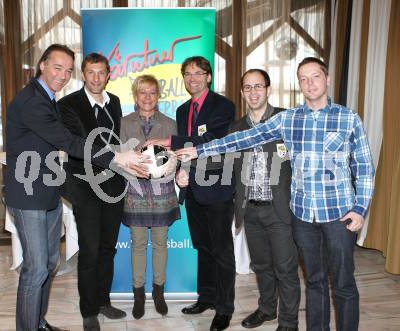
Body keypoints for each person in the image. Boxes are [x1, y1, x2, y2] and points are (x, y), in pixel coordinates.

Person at [176, 57, 374, 331]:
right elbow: (242, 139)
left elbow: (364, 168)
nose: (309, 83)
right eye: (303, 79)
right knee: (314, 281)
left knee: (342, 283)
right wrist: (198, 151)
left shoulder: (347, 117)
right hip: (303, 215)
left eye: (315, 77)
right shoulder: (288, 119)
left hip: (338, 215)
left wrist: (360, 208)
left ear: (327, 79)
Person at [5, 44, 148, 331]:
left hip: (50, 190)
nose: (62, 74)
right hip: (32, 193)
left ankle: (39, 322)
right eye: (58, 67)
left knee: (47, 265)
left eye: (67, 70)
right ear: (42, 65)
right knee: (36, 270)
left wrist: (128, 160)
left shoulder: (48, 98)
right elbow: (69, 142)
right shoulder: (35, 101)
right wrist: (119, 157)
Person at [147, 56, 236, 331]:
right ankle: (206, 298)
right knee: (203, 247)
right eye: (187, 74)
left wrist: (166, 142)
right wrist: (180, 172)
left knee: (221, 250)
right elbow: (186, 151)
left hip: (219, 187)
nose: (192, 78)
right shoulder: (183, 110)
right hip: (193, 187)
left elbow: (212, 140)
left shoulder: (223, 106)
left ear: (208, 77)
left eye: (198, 73)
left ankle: (224, 307)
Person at [58, 53, 127, 331]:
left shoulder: (116, 102)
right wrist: (120, 158)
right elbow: (84, 143)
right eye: (91, 73)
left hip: (112, 184)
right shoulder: (68, 105)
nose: (96, 78)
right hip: (84, 185)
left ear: (108, 75)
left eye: (101, 73)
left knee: (108, 249)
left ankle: (103, 301)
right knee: (90, 249)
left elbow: (117, 140)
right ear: (83, 75)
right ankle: (88, 310)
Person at [231, 69, 300, 331]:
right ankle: (268, 309)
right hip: (250, 211)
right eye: (247, 87)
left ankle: (289, 322)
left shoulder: (286, 120)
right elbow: (228, 165)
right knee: (261, 266)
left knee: (286, 269)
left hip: (279, 210)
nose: (253, 92)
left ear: (268, 89)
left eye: (258, 86)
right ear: (242, 92)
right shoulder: (236, 128)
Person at [120, 74, 180, 320]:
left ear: (158, 96)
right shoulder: (123, 122)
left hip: (162, 191)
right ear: (135, 96)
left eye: (152, 92)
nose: (147, 97)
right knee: (137, 244)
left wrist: (168, 167)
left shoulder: (170, 123)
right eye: (142, 92)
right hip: (135, 190)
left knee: (160, 243)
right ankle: (138, 294)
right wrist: (132, 167)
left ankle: (158, 292)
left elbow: (177, 156)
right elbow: (118, 157)